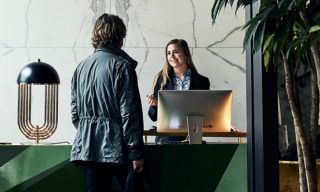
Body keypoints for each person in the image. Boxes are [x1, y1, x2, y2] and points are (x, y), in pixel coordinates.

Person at [70, 13, 144, 192]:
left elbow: (75, 113)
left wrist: (90, 134)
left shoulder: (81, 67)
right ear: (120, 36)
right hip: (117, 149)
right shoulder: (122, 66)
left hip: (88, 149)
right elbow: (129, 113)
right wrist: (135, 152)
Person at [146, 39, 210, 143]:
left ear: (185, 55)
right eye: (168, 53)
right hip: (165, 140)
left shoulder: (202, 81)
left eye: (176, 52)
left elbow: (208, 111)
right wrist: (154, 104)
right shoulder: (162, 80)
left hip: (192, 138)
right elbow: (153, 116)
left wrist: (225, 124)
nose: (171, 56)